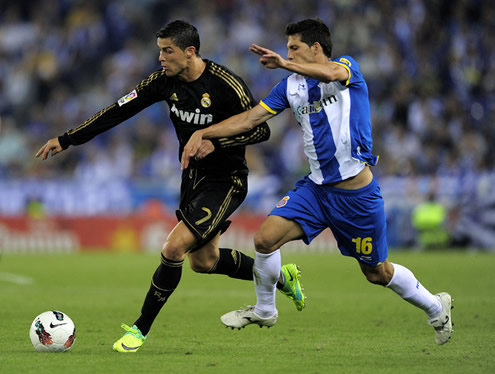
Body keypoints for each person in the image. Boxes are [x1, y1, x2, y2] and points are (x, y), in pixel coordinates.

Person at [36, 20, 305, 353]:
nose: (161, 57)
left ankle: (139, 329)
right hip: (192, 178)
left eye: (168, 51)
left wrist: (215, 142)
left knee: (172, 248)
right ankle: (280, 278)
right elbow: (118, 111)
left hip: (226, 180)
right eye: (159, 50)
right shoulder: (162, 82)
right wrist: (67, 140)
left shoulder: (225, 84)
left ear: (189, 52)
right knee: (203, 262)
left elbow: (261, 131)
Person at [182, 18, 453, 345]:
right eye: (286, 50)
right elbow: (252, 118)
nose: (288, 54)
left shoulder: (346, 68)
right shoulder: (289, 86)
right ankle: (265, 310)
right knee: (265, 240)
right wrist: (204, 132)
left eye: (294, 48)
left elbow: (331, 73)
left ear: (316, 47)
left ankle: (437, 306)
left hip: (357, 196)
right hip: (316, 190)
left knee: (377, 273)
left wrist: (283, 64)